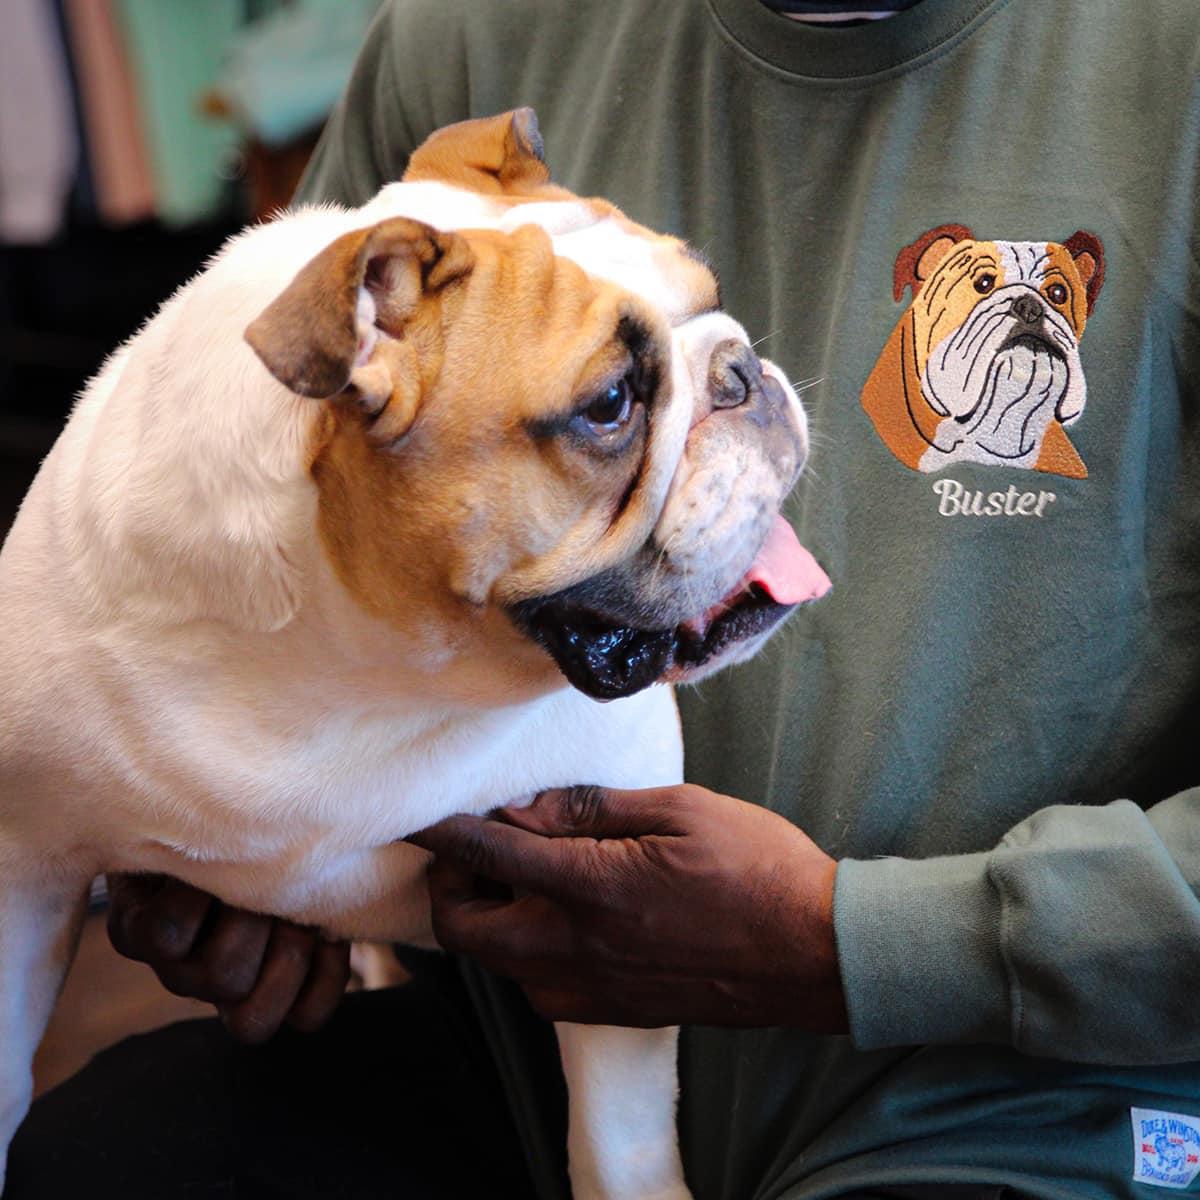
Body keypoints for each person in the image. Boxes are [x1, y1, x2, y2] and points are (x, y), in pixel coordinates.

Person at [10, 0, 1200, 1197]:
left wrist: (855, 944)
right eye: (614, 400)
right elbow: (276, 496)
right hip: (513, 1039)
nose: (740, 395)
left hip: (1036, 1096)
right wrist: (250, 845)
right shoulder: (465, 40)